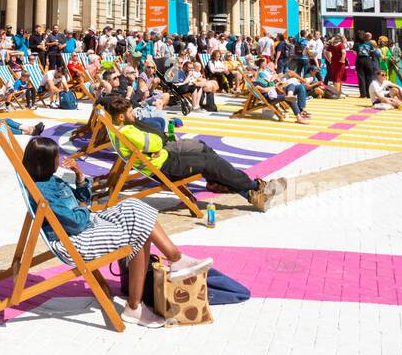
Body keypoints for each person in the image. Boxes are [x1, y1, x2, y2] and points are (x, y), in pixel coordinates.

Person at [23, 136, 212, 329]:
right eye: (56, 156)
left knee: (133, 205)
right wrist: (84, 208)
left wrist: (79, 176)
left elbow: (83, 202)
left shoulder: (50, 179)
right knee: (138, 233)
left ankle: (176, 259)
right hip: (74, 241)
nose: (59, 158)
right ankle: (134, 306)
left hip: (86, 224)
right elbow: (76, 223)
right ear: (45, 162)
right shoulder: (43, 191)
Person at [105, 96, 285, 211]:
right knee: (211, 164)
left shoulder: (120, 128)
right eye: (129, 112)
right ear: (121, 116)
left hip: (163, 160)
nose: (133, 114)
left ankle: (252, 192)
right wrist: (156, 144)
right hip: (163, 167)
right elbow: (155, 141)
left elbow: (154, 142)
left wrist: (155, 146)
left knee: (211, 161)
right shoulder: (127, 131)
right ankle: (254, 188)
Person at [354, 34, 378, 99]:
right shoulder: (369, 44)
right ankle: (369, 94)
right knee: (369, 77)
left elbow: (354, 52)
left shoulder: (356, 44)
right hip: (368, 60)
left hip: (360, 60)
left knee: (361, 77)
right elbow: (372, 52)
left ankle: (363, 94)